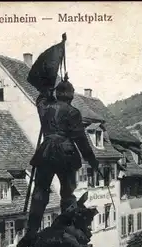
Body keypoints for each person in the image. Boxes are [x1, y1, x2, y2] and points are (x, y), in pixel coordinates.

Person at [25, 77, 99, 237]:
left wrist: (49, 91)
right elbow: (80, 139)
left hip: (45, 152)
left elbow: (41, 99)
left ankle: (31, 231)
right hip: (65, 153)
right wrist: (92, 160)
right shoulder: (73, 112)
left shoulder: (45, 107)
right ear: (71, 96)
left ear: (57, 94)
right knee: (67, 192)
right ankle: (67, 229)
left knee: (39, 191)